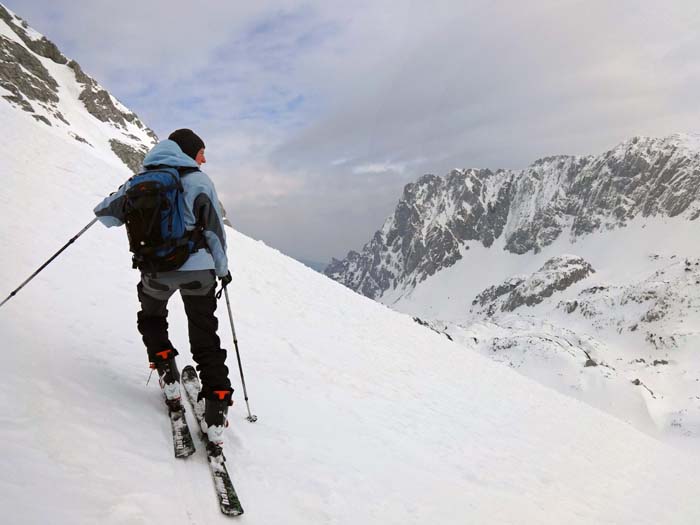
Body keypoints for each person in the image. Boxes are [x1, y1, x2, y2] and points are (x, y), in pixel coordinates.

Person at [93, 129, 233, 449]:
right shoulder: (199, 182)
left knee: (152, 318)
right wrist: (222, 271)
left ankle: (167, 371)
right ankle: (216, 408)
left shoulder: (140, 181)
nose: (204, 158)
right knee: (205, 335)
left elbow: (105, 214)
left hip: (155, 273)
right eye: (201, 152)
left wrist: (127, 191)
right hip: (198, 272)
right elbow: (213, 231)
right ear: (188, 152)